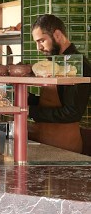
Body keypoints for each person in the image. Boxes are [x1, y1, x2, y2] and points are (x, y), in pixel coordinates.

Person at [28, 14, 91, 153]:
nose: (38, 48)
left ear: (57, 35)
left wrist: (29, 111)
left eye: (41, 41)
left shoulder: (79, 66)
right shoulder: (54, 63)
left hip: (65, 147)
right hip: (44, 143)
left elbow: (71, 112)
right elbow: (53, 102)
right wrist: (25, 98)